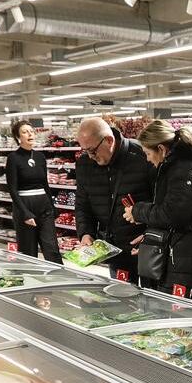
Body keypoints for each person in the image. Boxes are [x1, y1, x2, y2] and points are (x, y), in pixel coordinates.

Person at [127, 120, 192, 304]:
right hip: (187, 256)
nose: (147, 159)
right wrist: (151, 236)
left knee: (189, 316)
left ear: (161, 149)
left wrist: (138, 211)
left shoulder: (186, 168)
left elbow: (173, 214)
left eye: (148, 153)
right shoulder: (178, 167)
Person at [75, 116, 154, 280]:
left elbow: (161, 201)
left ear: (109, 140)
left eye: (92, 150)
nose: (90, 156)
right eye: (85, 151)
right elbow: (83, 204)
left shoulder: (142, 155)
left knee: (150, 295)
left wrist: (152, 235)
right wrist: (85, 233)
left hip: (145, 246)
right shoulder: (84, 164)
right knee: (121, 293)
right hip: (114, 250)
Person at [6, 122, 61, 262]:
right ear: (18, 137)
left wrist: (52, 206)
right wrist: (25, 213)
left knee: (52, 249)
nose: (30, 134)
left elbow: (45, 184)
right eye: (25, 132)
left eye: (31, 131)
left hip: (44, 206)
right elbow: (12, 188)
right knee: (28, 252)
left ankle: (59, 274)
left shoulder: (40, 157)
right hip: (25, 206)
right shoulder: (13, 158)